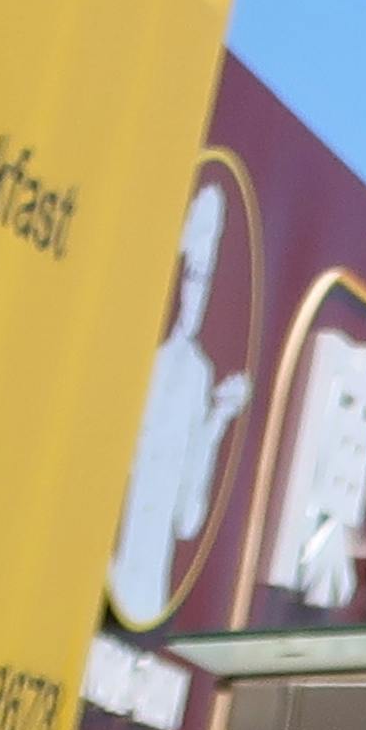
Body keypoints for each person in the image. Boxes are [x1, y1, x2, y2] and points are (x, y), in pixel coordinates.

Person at [107, 175, 255, 627]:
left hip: (149, 587)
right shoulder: (133, 352)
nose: (194, 294)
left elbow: (187, 516)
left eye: (205, 278)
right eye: (188, 274)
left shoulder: (197, 373)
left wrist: (218, 420)